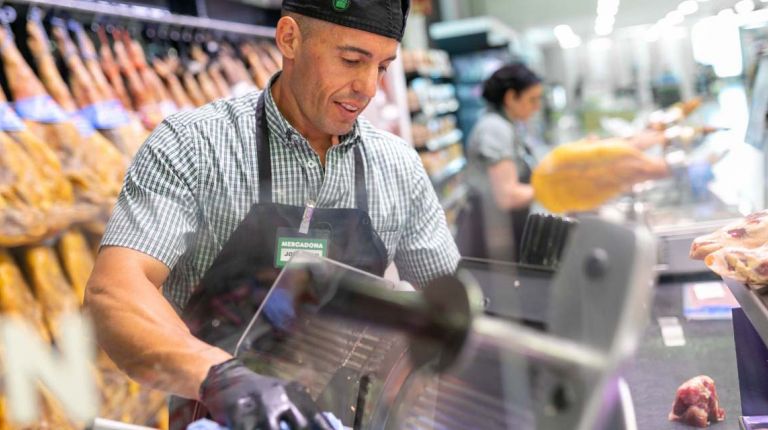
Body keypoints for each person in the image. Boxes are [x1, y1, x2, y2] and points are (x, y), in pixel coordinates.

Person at [84, 0, 459, 428]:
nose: (368, 87)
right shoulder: (194, 146)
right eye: (351, 59)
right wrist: (220, 378)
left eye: (382, 67)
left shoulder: (397, 166)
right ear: (289, 38)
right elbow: (113, 292)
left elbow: (451, 309)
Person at [458, 63, 542, 262]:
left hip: (501, 230)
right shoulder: (495, 128)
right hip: (491, 238)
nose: (537, 107)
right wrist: (553, 188)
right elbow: (507, 196)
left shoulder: (507, 125)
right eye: (532, 99)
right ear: (511, 97)